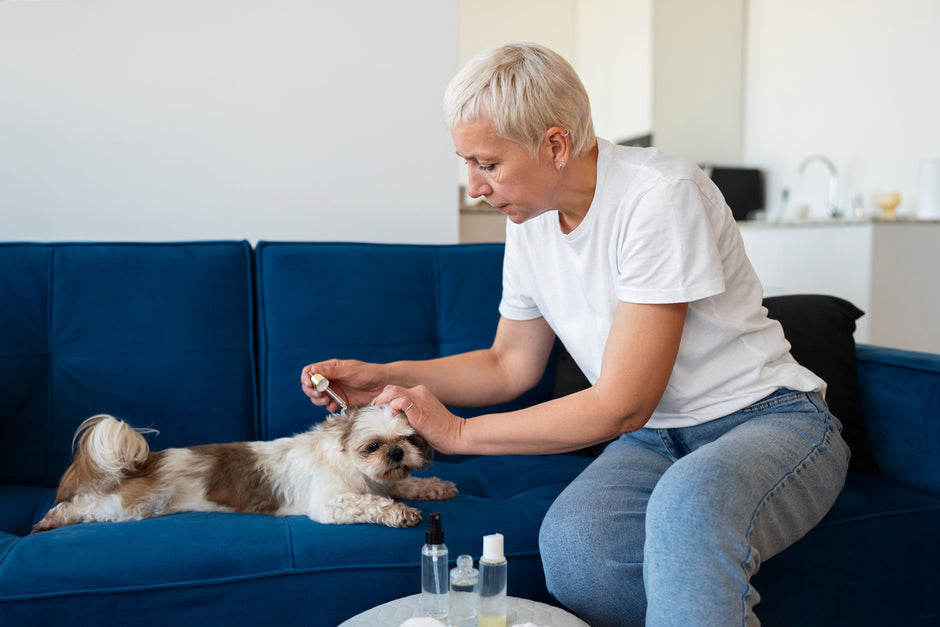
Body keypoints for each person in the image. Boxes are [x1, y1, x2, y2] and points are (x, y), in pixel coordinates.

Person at [301, 42, 849, 627]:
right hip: (657, 441)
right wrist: (384, 378)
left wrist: (458, 433)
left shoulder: (659, 195)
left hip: (767, 420)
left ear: (555, 145)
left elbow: (623, 403)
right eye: (467, 163)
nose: (474, 187)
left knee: (690, 508)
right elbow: (508, 364)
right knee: (577, 551)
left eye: (487, 163)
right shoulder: (530, 220)